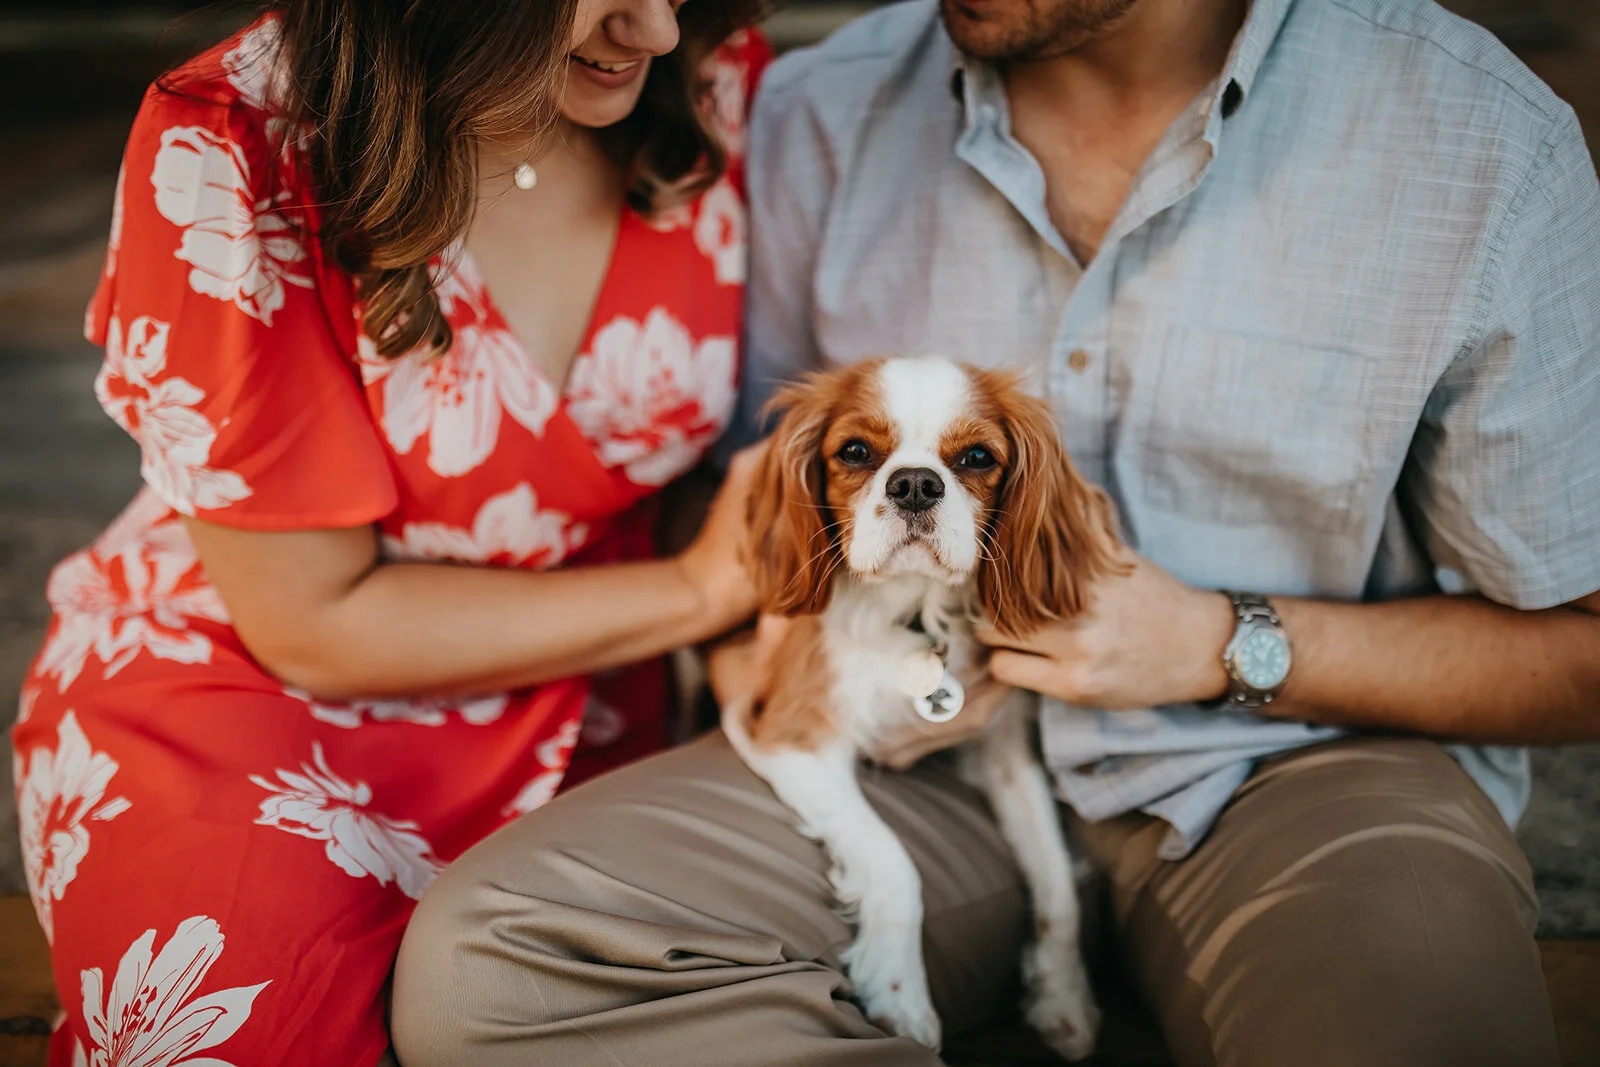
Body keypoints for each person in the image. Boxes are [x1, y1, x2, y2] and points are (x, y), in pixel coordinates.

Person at [391, 0, 1600, 1064]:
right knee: (497, 964)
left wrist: (1223, 644)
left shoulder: (1482, 140)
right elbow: (741, 490)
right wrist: (749, 644)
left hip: (1297, 764)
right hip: (911, 753)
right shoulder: (819, 107)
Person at [9, 0, 771, 1063]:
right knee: (247, 1025)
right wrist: (699, 590)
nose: (650, 32)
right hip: (259, 693)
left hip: (592, 691)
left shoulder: (713, 71)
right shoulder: (231, 136)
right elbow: (312, 623)